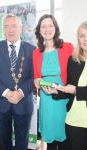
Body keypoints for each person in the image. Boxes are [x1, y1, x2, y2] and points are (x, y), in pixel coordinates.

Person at [0, 14, 36, 150]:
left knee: (22, 140)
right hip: (1, 102)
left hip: (23, 101)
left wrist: (21, 92)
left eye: (14, 26)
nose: (10, 30)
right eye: (7, 27)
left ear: (20, 28)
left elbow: (34, 76)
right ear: (3, 30)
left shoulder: (32, 49)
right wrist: (6, 92)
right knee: (4, 140)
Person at [33, 14, 74, 150]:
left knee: (64, 136)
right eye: (43, 26)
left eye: (50, 25)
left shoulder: (68, 47)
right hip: (46, 98)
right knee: (49, 138)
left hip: (62, 96)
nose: (47, 29)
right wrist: (36, 81)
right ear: (39, 30)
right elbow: (36, 77)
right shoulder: (36, 52)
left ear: (55, 28)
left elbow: (75, 74)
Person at [51, 21, 87, 150]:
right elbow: (69, 88)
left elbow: (75, 89)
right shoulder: (73, 60)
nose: (85, 39)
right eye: (82, 36)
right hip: (74, 121)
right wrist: (56, 91)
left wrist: (76, 90)